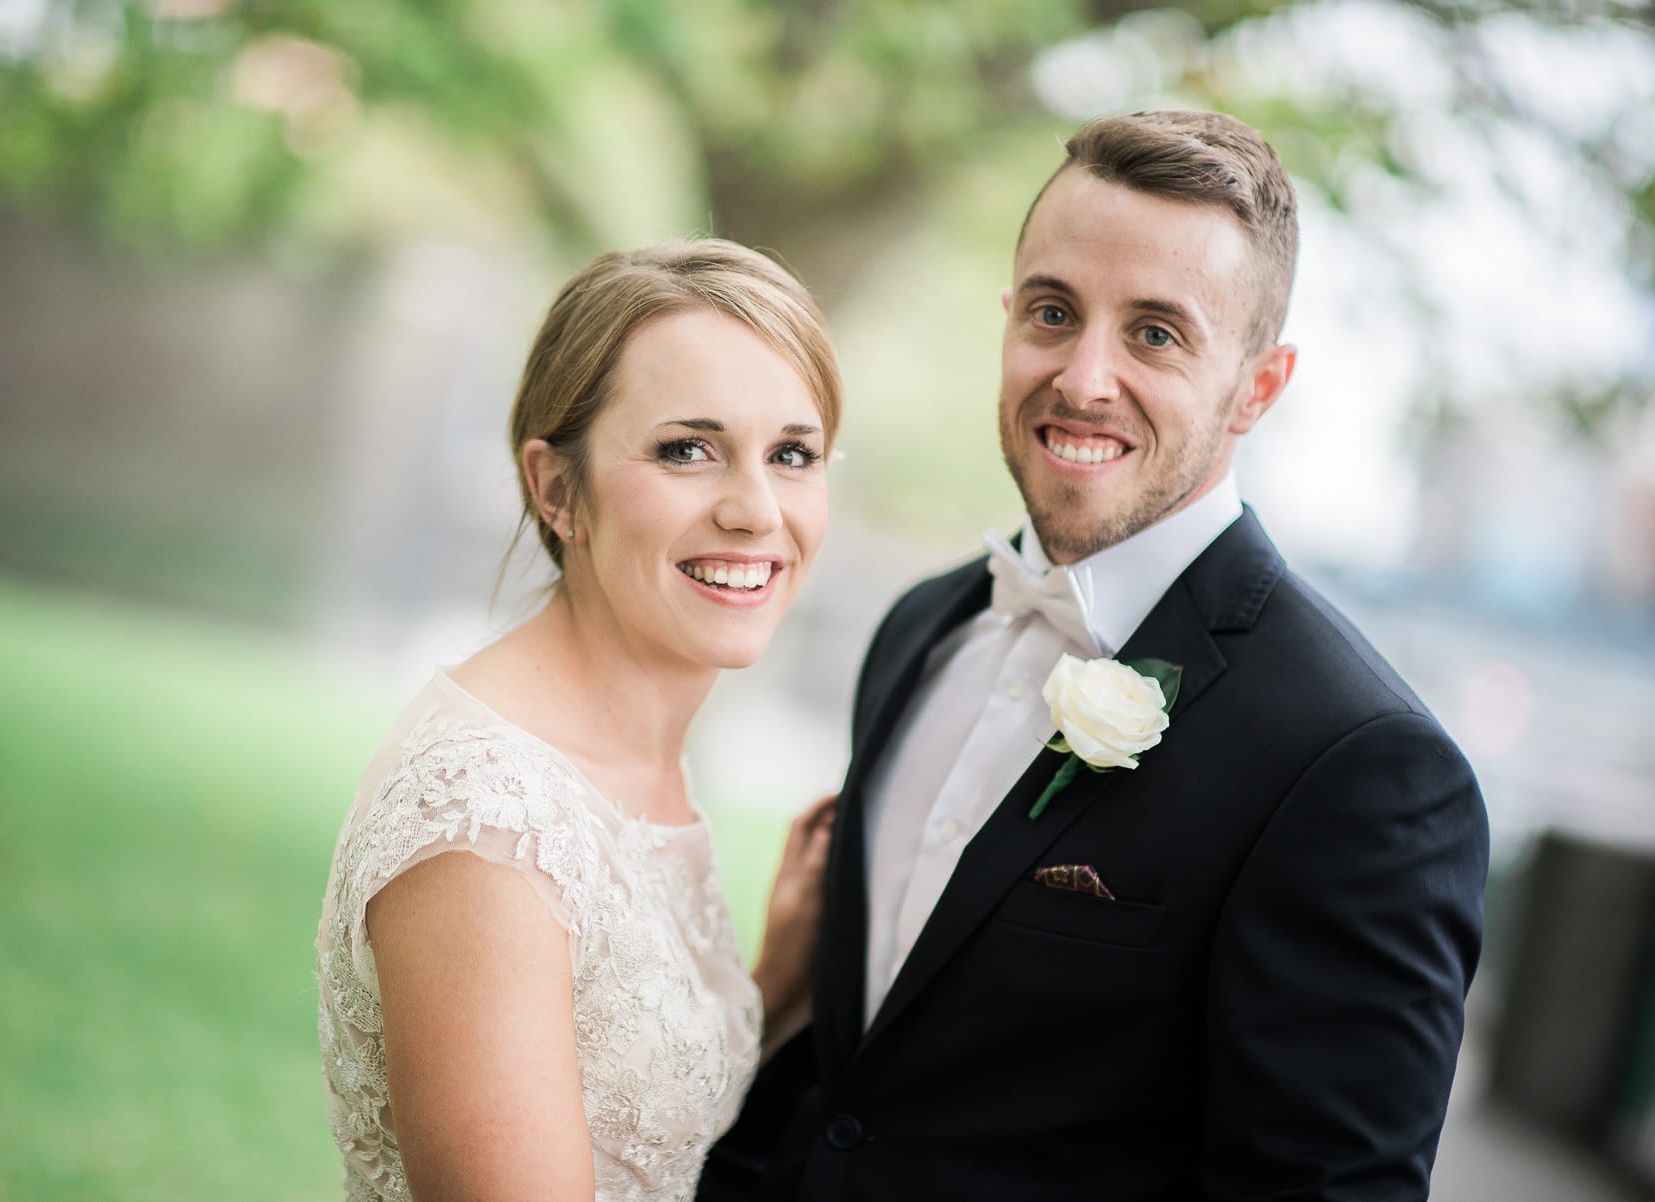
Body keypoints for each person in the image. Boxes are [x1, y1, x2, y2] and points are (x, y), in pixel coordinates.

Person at [699, 110, 1490, 1202]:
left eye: (1156, 333)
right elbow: (847, 1083)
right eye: (1053, 312)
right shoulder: (918, 629)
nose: (1083, 377)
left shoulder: (1359, 766)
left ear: (1259, 386)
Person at [317, 238, 842, 1202]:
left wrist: (769, 989)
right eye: (688, 449)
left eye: (792, 455)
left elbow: (630, 1109)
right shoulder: (488, 827)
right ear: (559, 490)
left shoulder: (636, 758)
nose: (757, 510)